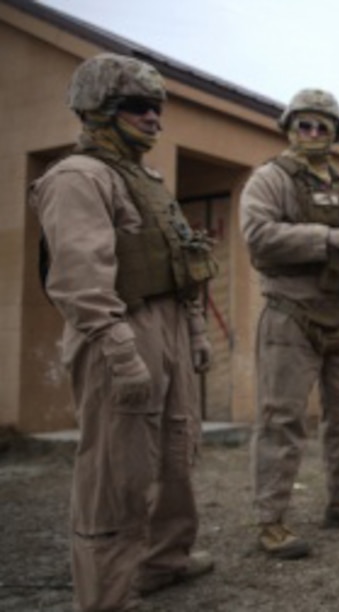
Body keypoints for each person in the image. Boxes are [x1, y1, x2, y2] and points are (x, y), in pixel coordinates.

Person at [28, 52, 216, 611]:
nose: (154, 118)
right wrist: (119, 351)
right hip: (119, 327)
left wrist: (197, 331)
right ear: (99, 111)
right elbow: (79, 279)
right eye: (138, 107)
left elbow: (181, 261)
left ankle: (164, 561)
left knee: (176, 451)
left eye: (156, 108)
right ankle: (106, 597)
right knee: (115, 470)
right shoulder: (78, 178)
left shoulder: (145, 179)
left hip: (168, 324)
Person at [241, 88, 339, 560]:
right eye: (303, 125)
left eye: (321, 126)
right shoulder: (269, 179)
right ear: (289, 128)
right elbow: (259, 237)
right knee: (281, 419)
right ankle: (271, 520)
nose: (312, 133)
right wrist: (327, 239)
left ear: (335, 133)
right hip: (292, 314)